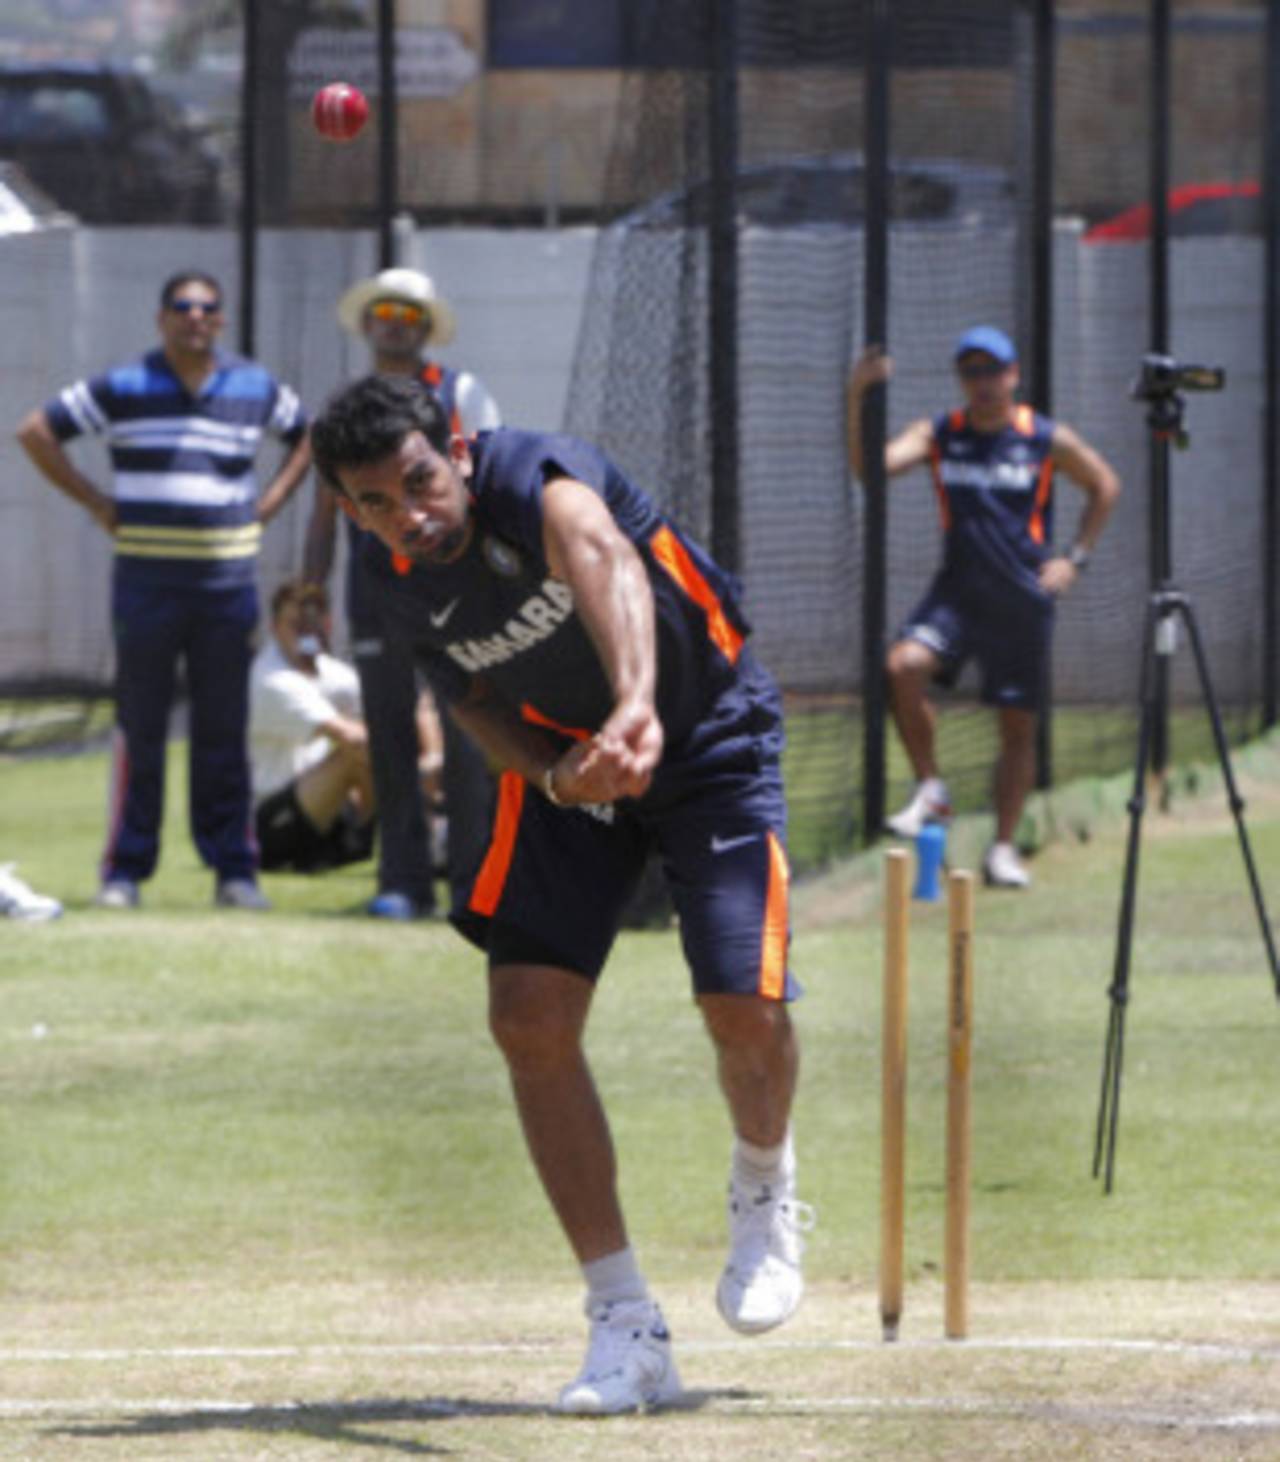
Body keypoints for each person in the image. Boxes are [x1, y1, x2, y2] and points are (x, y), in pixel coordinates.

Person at [310, 374, 811, 1415]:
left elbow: (603, 556)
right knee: (526, 1018)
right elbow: (475, 699)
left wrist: (635, 702)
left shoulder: (535, 474)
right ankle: (625, 1325)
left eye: (419, 482)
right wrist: (551, 775)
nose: (410, 513)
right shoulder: (392, 574)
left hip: (705, 736)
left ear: (451, 447)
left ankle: (763, 1180)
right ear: (346, 510)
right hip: (573, 771)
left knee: (743, 1007)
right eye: (376, 502)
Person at [16, 270, 310, 910]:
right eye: (183, 307)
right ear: (162, 318)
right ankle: (124, 872)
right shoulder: (125, 386)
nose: (196, 318)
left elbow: (310, 434)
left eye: (208, 309)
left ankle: (234, 870)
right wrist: (96, 501)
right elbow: (36, 431)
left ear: (221, 322)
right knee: (139, 729)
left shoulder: (253, 387)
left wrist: (274, 499)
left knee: (224, 731)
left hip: (227, 585)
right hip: (147, 587)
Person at [847, 325, 1121, 888]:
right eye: (971, 372)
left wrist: (1074, 558)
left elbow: (1105, 485)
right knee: (903, 666)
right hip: (957, 593)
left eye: (993, 371)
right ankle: (931, 786)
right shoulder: (941, 433)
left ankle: (1002, 848)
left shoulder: (1043, 437)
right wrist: (856, 397)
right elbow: (869, 470)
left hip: (1022, 599)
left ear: (1014, 375)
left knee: (1016, 728)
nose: (984, 383)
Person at [304, 266, 500, 921]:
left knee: (468, 725)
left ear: (426, 330)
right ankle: (403, 880)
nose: (394, 328)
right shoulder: (346, 408)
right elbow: (326, 505)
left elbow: (487, 480)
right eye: (384, 315)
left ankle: (474, 885)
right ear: (366, 324)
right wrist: (313, 585)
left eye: (409, 318)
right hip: (375, 582)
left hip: (451, 580)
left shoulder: (460, 390)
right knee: (387, 730)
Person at [249, 580, 376, 874]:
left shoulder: (330, 672)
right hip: (267, 820)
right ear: (274, 627)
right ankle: (401, 841)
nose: (305, 634)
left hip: (319, 809)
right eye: (295, 624)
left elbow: (394, 711)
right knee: (355, 754)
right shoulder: (271, 678)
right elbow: (352, 737)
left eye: (312, 624)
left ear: (327, 624)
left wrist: (431, 754)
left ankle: (385, 840)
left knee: (376, 745)